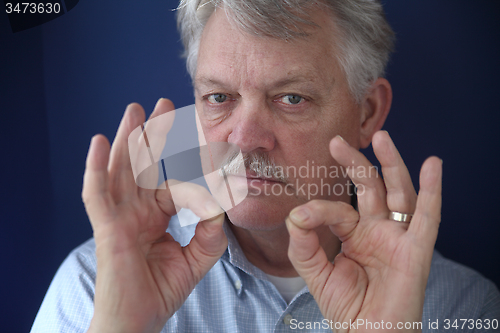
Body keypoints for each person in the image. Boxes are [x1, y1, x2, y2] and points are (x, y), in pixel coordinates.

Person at [31, 0, 500, 332]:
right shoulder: (95, 283)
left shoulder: (465, 308)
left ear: (367, 112)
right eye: (219, 98)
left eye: (291, 98)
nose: (245, 139)